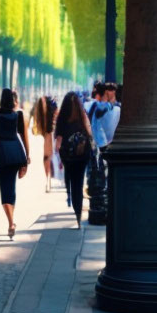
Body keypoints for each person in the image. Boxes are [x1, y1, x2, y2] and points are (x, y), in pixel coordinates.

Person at [0, 88, 29, 239]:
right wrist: (27, 157)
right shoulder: (17, 115)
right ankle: (11, 221)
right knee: (12, 188)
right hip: (15, 152)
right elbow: (23, 137)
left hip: (1, 152)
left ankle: (11, 222)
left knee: (4, 188)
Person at [55, 91, 93, 228]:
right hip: (82, 155)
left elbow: (58, 140)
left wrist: (58, 154)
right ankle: (78, 215)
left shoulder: (62, 119)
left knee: (71, 179)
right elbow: (89, 134)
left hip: (68, 155)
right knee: (79, 182)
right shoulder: (83, 117)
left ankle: (71, 197)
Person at [31, 95, 56, 193]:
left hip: (47, 140)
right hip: (46, 140)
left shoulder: (46, 119)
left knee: (47, 160)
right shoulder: (42, 118)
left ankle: (48, 180)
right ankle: (48, 180)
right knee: (47, 160)